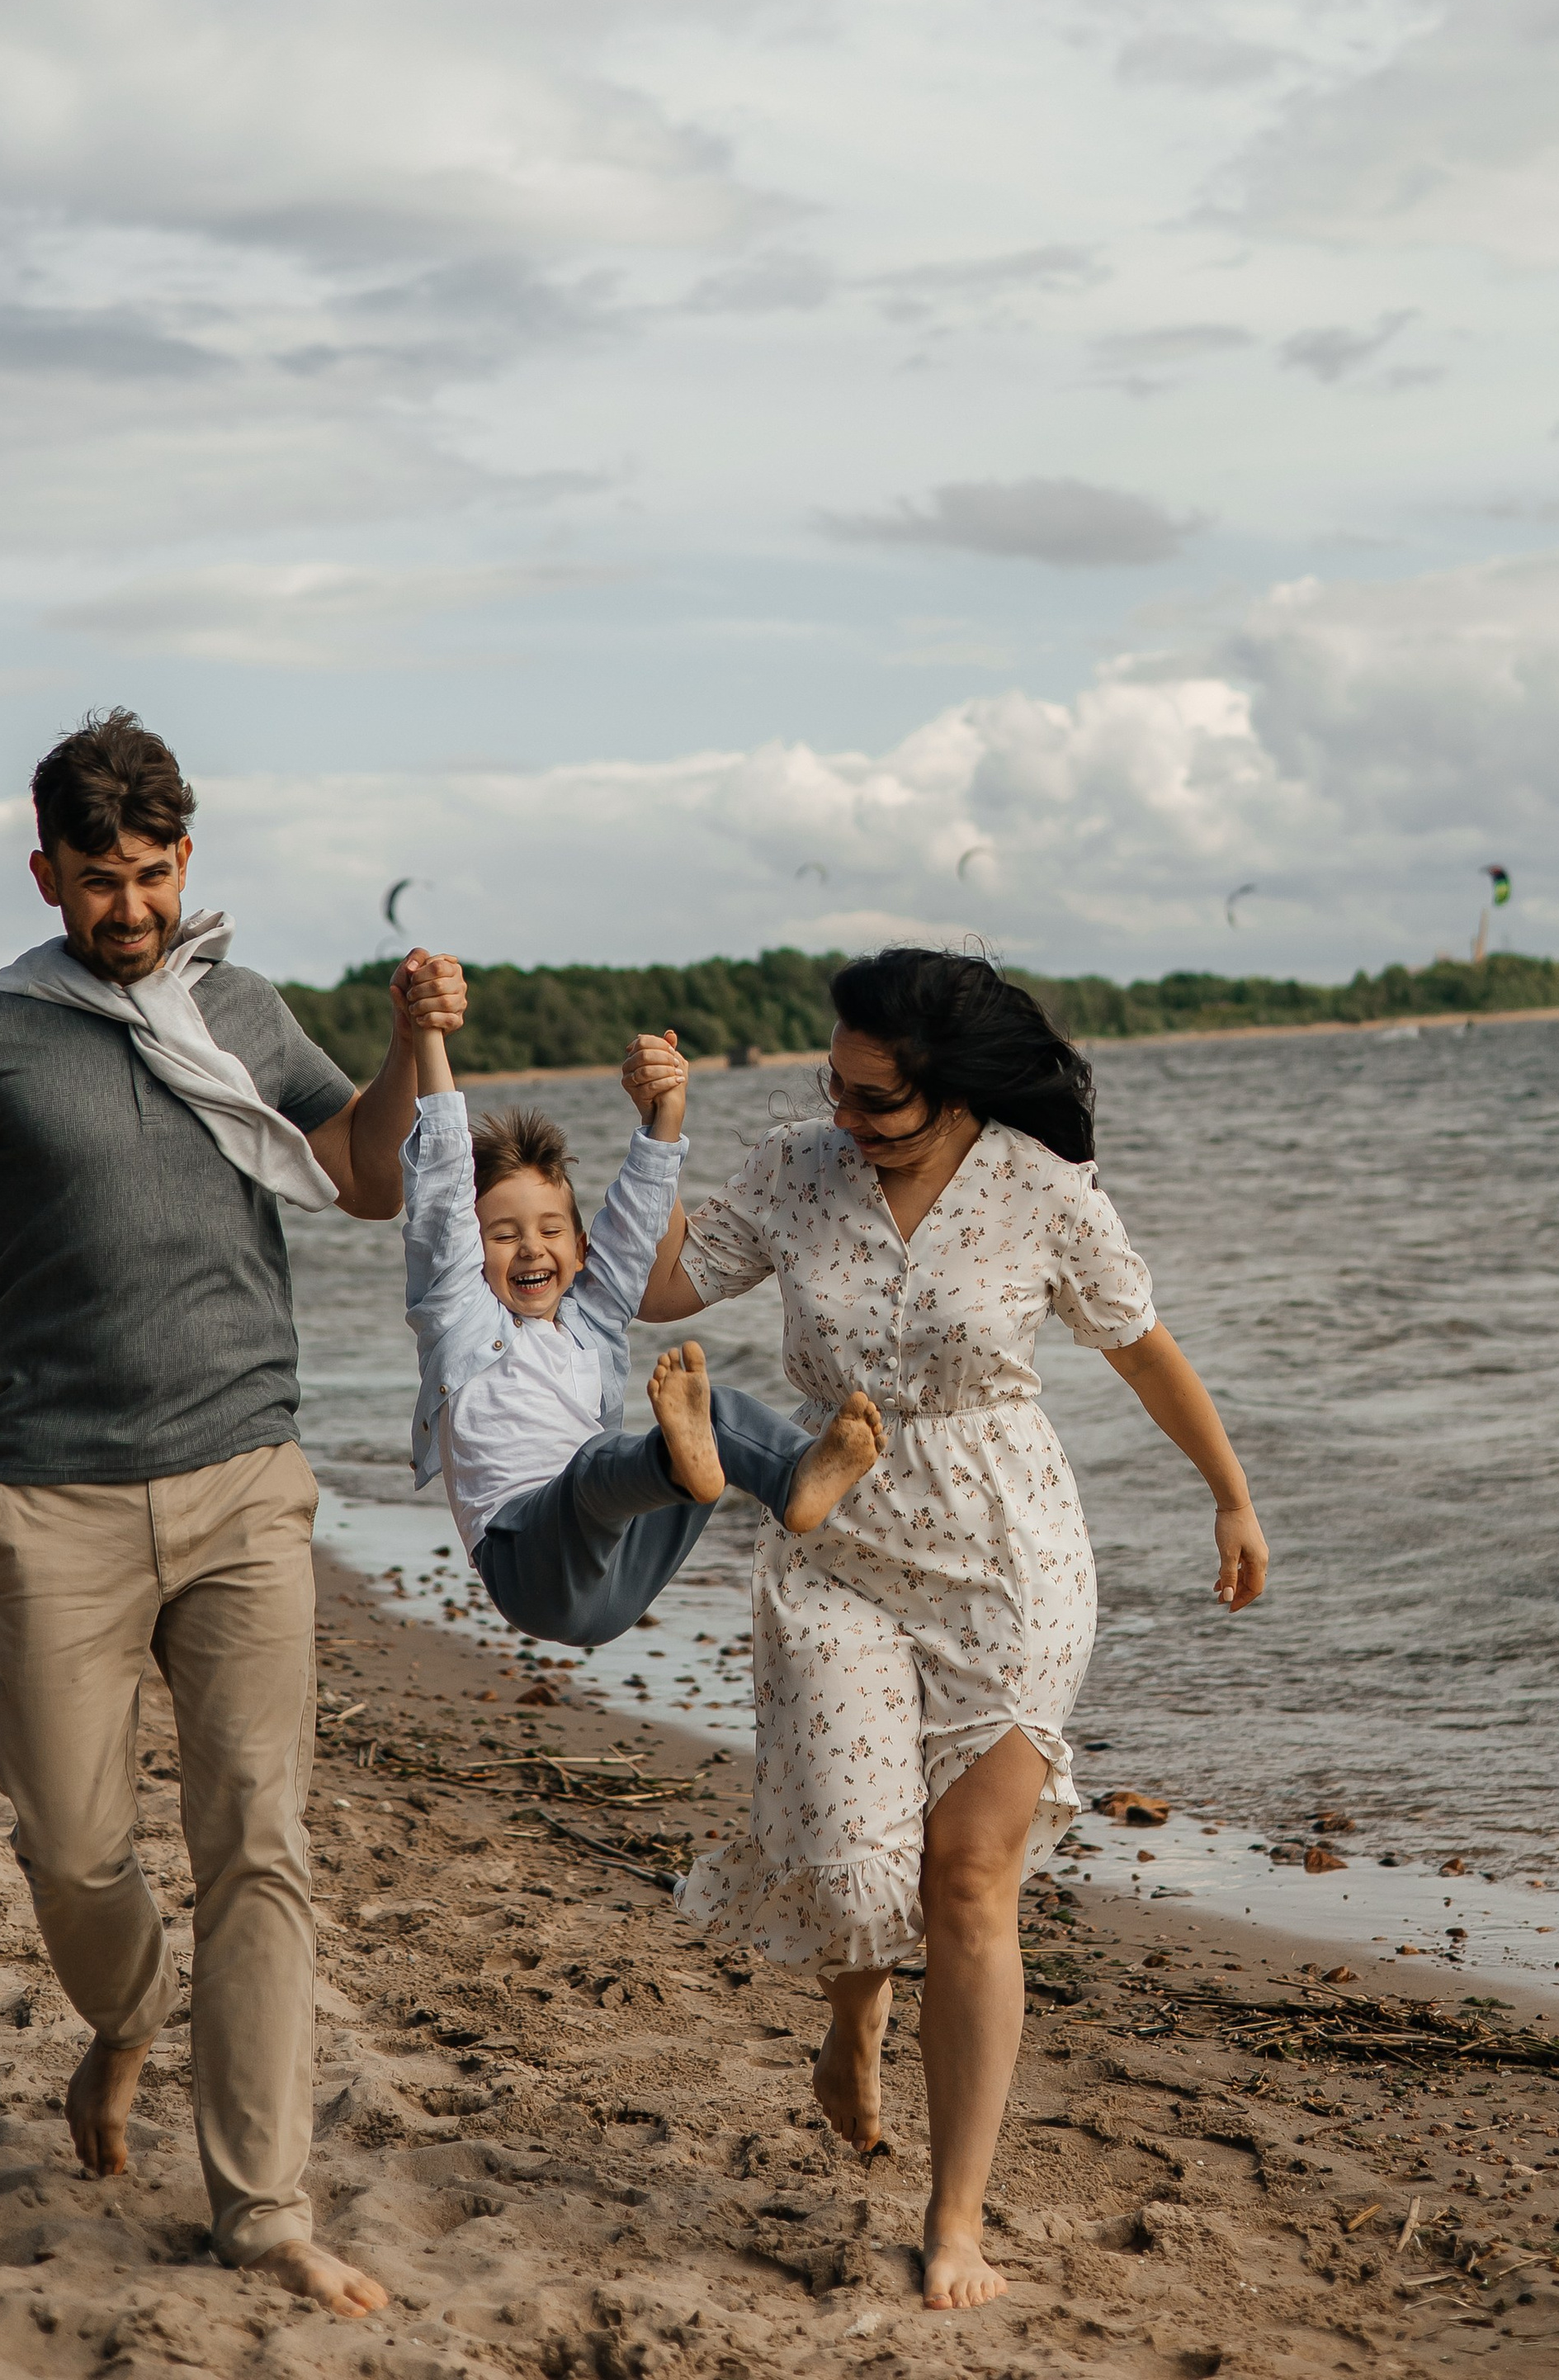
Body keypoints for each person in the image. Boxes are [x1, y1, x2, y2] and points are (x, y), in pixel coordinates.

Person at [0, 707, 457, 2324]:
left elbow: (362, 1178)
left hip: (246, 1482)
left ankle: (263, 2211)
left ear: (185, 863)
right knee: (70, 1845)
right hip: (58, 1500)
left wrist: (410, 1046)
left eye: (154, 875)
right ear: (45, 875)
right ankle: (136, 2011)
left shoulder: (237, 1008)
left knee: (259, 1846)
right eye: (100, 882)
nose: (132, 909)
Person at [640, 945, 1268, 2314]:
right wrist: (660, 1135)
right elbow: (661, 1288)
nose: (850, 1119)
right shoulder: (801, 1168)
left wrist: (1229, 1497)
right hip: (840, 1535)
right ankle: (855, 2018)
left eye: (880, 1101)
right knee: (860, 1865)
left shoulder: (1045, 1192)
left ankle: (957, 2215)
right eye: (839, 1087)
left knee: (967, 1878)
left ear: (954, 1092)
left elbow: (1143, 1345)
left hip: (1008, 1553)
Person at [403, 1003, 885, 1644]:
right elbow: (441, 1187)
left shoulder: (589, 1328)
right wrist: (429, 1036)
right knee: (600, 1462)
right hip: (531, 1564)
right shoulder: (458, 1318)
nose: (530, 1249)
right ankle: (679, 1466)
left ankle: (796, 1476)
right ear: (471, 1250)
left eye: (550, 1231)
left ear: (578, 1248)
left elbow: (632, 1231)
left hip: (620, 1577)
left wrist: (666, 1117)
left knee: (714, 1414)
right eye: (502, 1235)